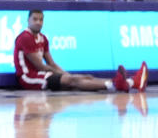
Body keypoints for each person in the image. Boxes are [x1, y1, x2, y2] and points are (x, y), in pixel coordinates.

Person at [14, 9, 146, 92]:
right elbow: (40, 65)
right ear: (28, 20)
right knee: (73, 81)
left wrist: (66, 73)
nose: (38, 22)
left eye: (41, 19)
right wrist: (68, 76)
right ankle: (117, 84)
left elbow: (52, 63)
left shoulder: (43, 38)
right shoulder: (25, 37)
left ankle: (129, 82)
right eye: (35, 19)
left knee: (85, 77)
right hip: (29, 78)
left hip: (43, 75)